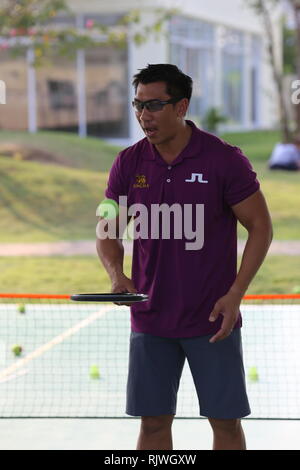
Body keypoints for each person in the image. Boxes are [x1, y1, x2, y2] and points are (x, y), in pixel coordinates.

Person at [96, 64, 273, 451]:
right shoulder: (128, 162)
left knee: (225, 424)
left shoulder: (224, 160)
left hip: (212, 318)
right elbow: (107, 226)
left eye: (155, 105)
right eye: (138, 105)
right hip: (150, 318)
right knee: (154, 424)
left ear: (181, 106)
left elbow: (260, 227)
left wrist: (236, 293)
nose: (144, 115)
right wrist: (116, 273)